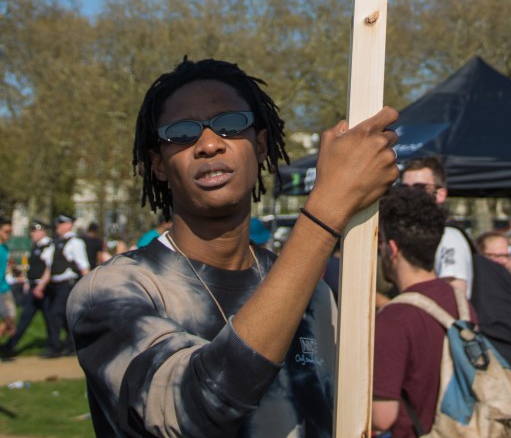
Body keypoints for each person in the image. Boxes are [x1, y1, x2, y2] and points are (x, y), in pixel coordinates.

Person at [68, 57, 398, 437]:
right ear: (159, 164)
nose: (209, 144)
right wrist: (326, 211)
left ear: (260, 145)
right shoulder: (112, 292)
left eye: (230, 125)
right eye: (182, 133)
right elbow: (193, 409)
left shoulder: (317, 298)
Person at [372, 184, 476, 437]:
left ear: (392, 249)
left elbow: (382, 419)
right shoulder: (461, 303)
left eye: (381, 244)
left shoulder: (394, 319)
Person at [400, 156, 473, 297]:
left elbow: (453, 300)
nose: (409, 195)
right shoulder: (409, 235)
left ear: (440, 194)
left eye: (420, 188)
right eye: (404, 188)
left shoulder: (448, 237)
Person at [470, 230, 511, 381]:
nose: (503, 261)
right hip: (492, 361)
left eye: (506, 256)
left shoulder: (508, 282)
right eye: (497, 256)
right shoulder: (479, 284)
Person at [1, 220, 54, 359]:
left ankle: (57, 345)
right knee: (23, 318)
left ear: (43, 231)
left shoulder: (49, 245)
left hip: (43, 288)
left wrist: (41, 286)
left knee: (52, 318)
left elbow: (49, 268)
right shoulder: (35, 246)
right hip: (32, 287)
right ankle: (9, 347)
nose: (32, 234)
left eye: (34, 231)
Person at [40, 213, 90, 357]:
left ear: (69, 225)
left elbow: (84, 266)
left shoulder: (75, 243)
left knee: (56, 314)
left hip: (68, 285)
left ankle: (55, 347)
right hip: (56, 286)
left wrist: (90, 288)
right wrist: (41, 286)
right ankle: (70, 345)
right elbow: (50, 268)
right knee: (60, 316)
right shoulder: (57, 243)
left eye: (61, 224)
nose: (58, 227)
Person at [0, 218, 16, 348]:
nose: (8, 234)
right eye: (6, 231)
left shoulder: (5, 248)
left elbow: (10, 264)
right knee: (9, 321)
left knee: (10, 319)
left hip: (4, 288)